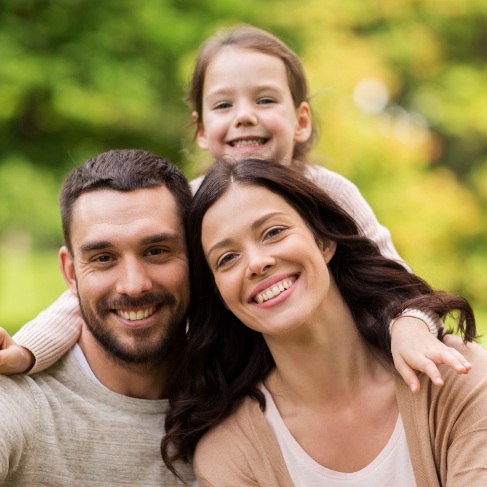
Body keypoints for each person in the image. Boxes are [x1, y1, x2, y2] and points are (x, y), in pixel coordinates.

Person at [0, 25, 469, 392]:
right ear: (202, 130)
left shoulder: (329, 192)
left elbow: (394, 278)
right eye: (224, 104)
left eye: (264, 99)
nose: (244, 114)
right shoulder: (190, 203)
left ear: (300, 120)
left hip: (341, 370)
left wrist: (409, 324)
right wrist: (27, 351)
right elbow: (86, 294)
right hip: (241, 379)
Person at [162, 157, 487, 486]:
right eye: (227, 258)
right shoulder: (231, 455)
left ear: (324, 240)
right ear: (219, 295)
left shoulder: (456, 378)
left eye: (273, 232)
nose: (257, 263)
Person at [0, 149, 195, 485]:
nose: (134, 286)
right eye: (104, 257)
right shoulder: (20, 404)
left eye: (156, 251)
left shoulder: (239, 392)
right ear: (71, 272)